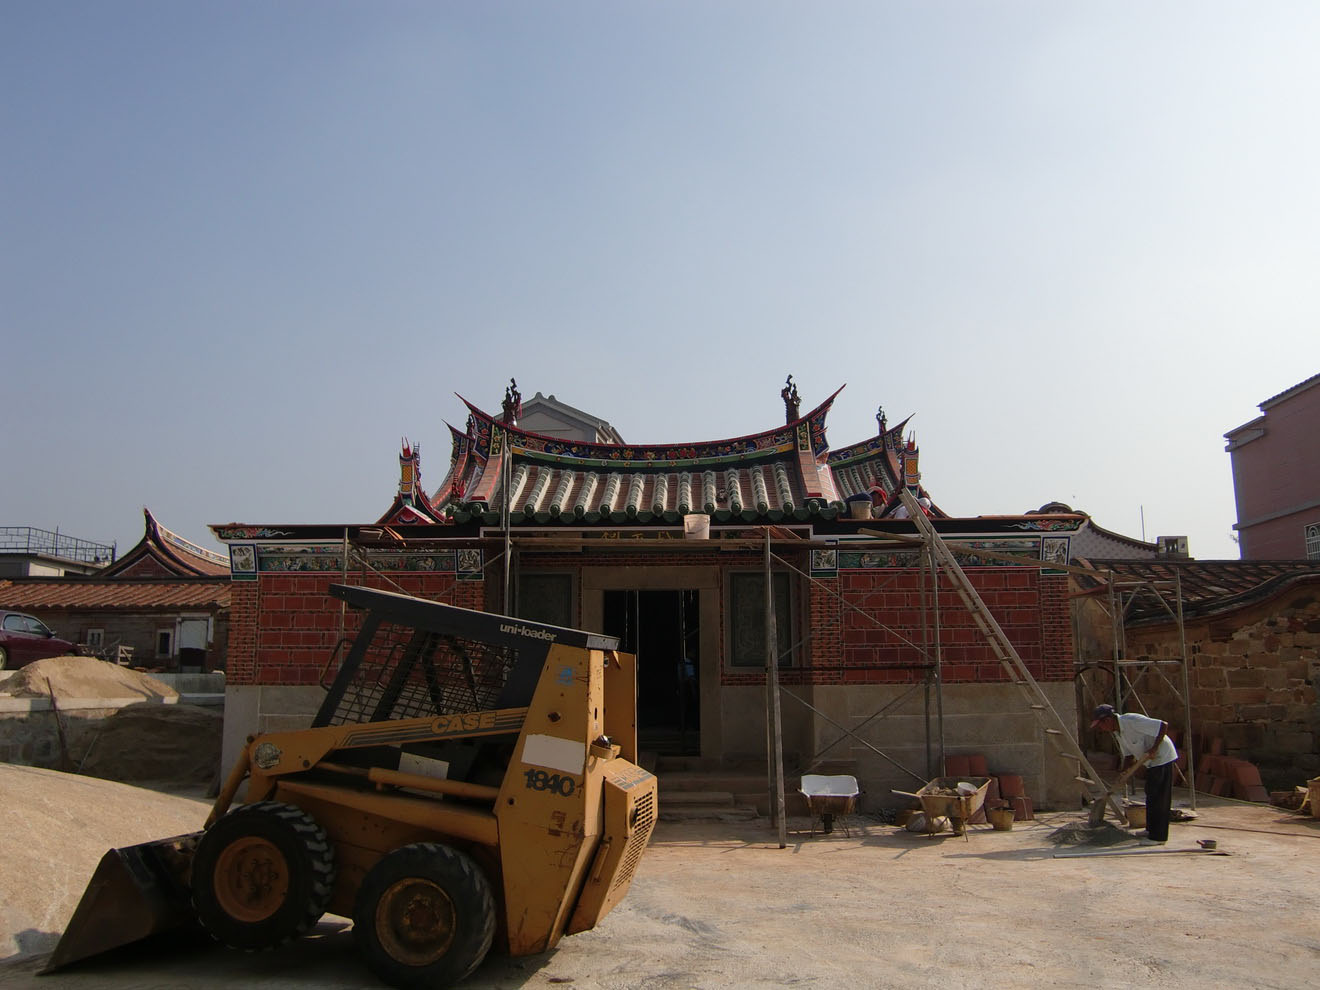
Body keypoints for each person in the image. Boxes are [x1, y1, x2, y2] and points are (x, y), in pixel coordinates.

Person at [1090, 703, 1178, 843]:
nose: (1101, 729)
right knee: (1150, 793)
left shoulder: (1131, 721)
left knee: (1159, 797)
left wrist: (1154, 748)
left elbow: (1163, 725)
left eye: (1100, 725)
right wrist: (1124, 772)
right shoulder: (1118, 732)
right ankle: (1151, 830)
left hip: (1162, 757)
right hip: (1152, 763)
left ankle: (1158, 837)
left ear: (1107, 720)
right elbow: (1129, 755)